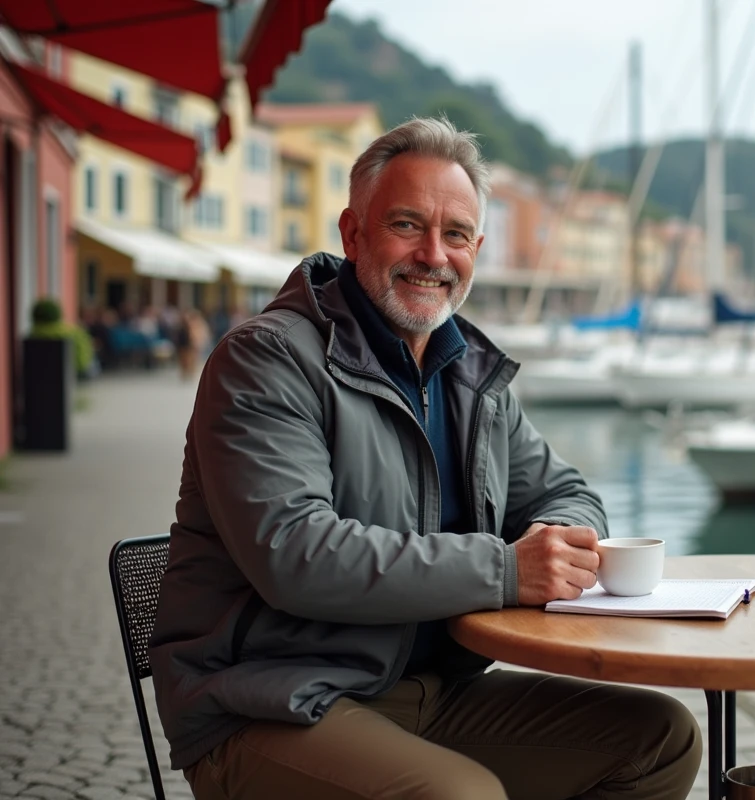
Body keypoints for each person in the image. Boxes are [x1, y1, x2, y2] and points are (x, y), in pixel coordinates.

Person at [148, 117, 702, 800]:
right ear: (353, 235)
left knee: (662, 740)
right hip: (270, 702)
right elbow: (296, 555)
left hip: (433, 694)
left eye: (457, 234)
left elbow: (567, 491)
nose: (433, 255)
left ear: (477, 248)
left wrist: (549, 538)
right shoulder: (265, 360)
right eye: (407, 225)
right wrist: (505, 570)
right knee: (459, 797)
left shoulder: (469, 371)